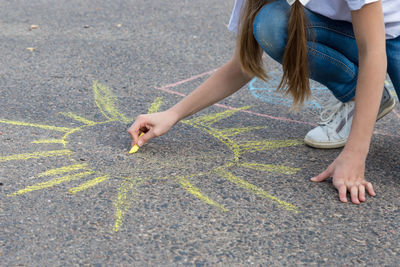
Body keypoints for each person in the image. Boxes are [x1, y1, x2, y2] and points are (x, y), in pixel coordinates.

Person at [128, 0, 400, 204]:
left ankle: (366, 104)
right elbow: (242, 66)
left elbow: (373, 51)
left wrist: (355, 155)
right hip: (350, 32)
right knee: (271, 23)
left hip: (391, 35)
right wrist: (172, 114)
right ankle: (358, 98)